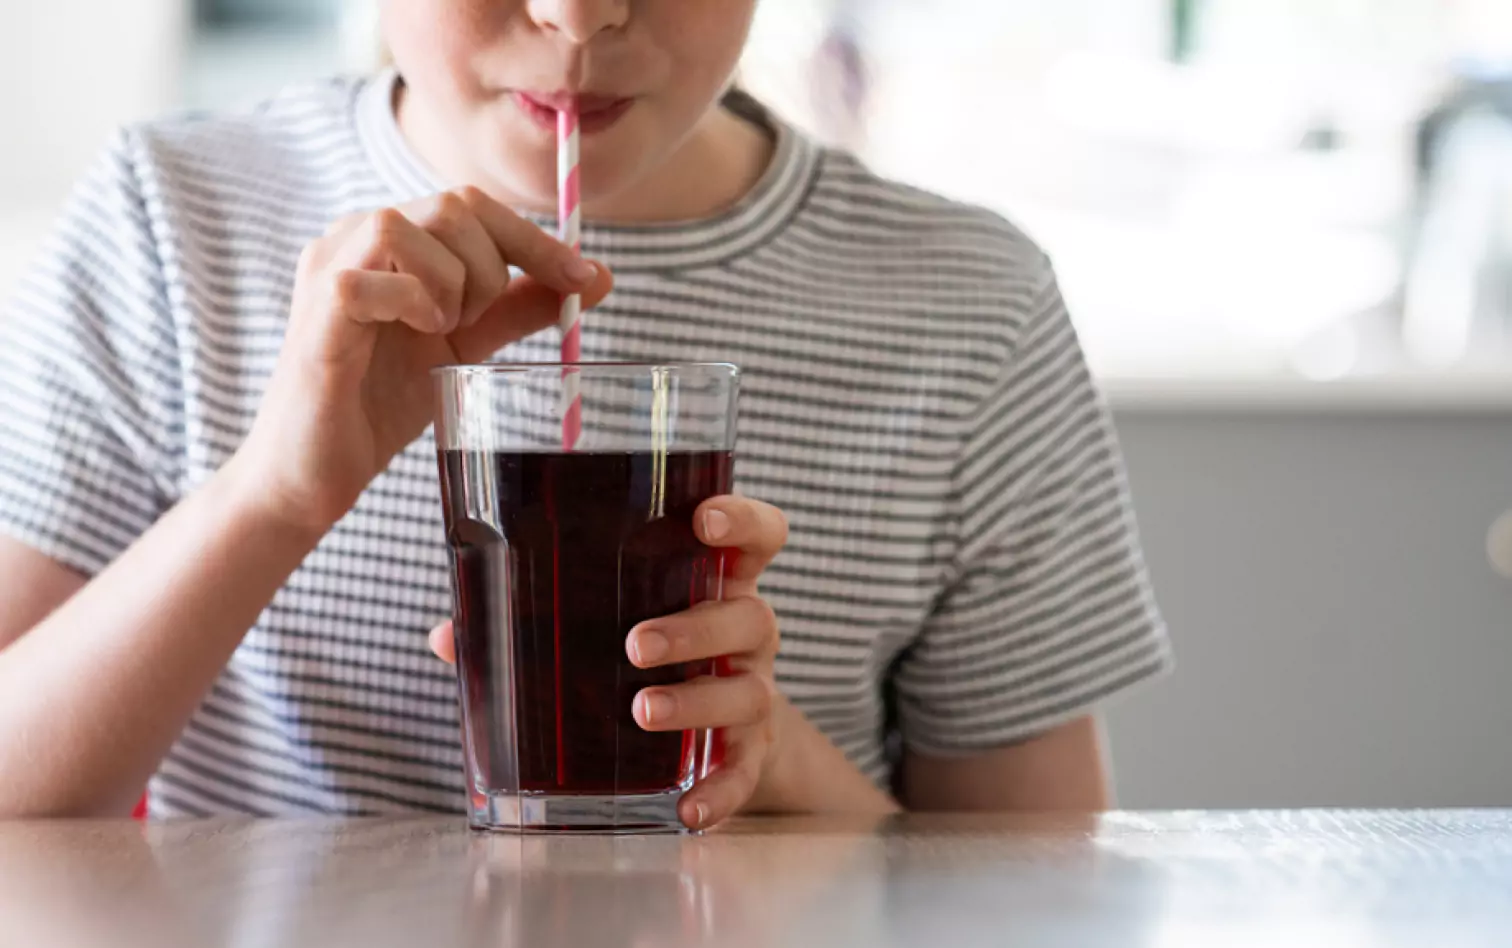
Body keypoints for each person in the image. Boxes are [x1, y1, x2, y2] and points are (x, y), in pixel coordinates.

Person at [0, 0, 1171, 825]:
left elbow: (1038, 888)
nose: (578, 15)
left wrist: (781, 777)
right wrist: (273, 495)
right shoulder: (172, 219)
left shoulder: (968, 303)